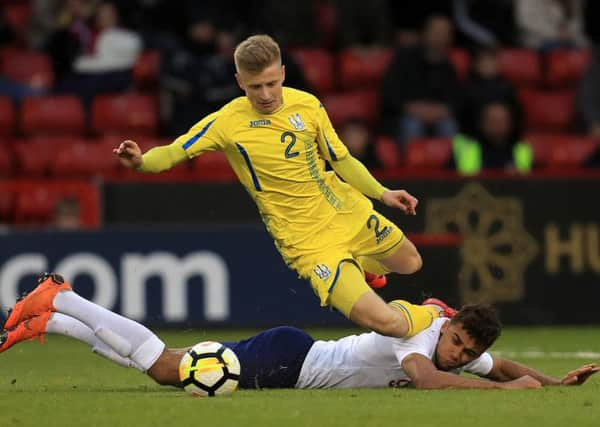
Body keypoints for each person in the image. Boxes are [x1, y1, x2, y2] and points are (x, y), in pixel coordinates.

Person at [113, 34, 436, 339]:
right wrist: (142, 161)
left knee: (411, 263)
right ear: (240, 82)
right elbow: (173, 152)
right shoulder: (226, 122)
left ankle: (363, 269)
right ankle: (437, 315)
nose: (266, 95)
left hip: (344, 210)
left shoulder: (307, 105)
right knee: (385, 323)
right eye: (255, 87)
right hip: (307, 241)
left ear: (283, 73)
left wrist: (383, 193)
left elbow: (341, 159)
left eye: (272, 83)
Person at [2, 273, 598, 390]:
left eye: (467, 352)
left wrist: (552, 384)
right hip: (289, 361)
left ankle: (56, 320)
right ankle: (66, 296)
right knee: (163, 366)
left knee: (164, 365)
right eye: (458, 342)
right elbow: (421, 377)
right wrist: (502, 395)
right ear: (451, 322)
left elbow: (508, 366)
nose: (457, 354)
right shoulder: (423, 335)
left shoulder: (455, 356)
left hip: (291, 357)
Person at [380, 15, 461, 145]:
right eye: (436, 33)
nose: (440, 38)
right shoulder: (403, 59)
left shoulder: (449, 66)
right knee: (412, 126)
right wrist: (411, 108)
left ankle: (454, 165)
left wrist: (441, 111)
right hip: (406, 116)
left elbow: (456, 100)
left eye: (444, 34)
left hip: (439, 117)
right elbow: (389, 95)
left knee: (449, 126)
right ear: (425, 33)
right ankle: (410, 165)